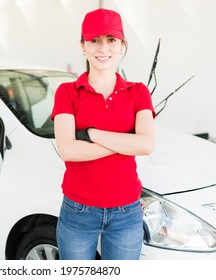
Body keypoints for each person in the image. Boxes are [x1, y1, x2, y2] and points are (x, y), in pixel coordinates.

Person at [51, 8, 155, 260]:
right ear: (83, 46)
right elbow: (68, 150)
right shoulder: (67, 92)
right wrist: (125, 142)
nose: (103, 48)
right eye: (94, 40)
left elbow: (146, 145)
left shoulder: (139, 92)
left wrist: (91, 133)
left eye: (111, 40)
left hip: (126, 212)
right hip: (78, 210)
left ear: (122, 46)